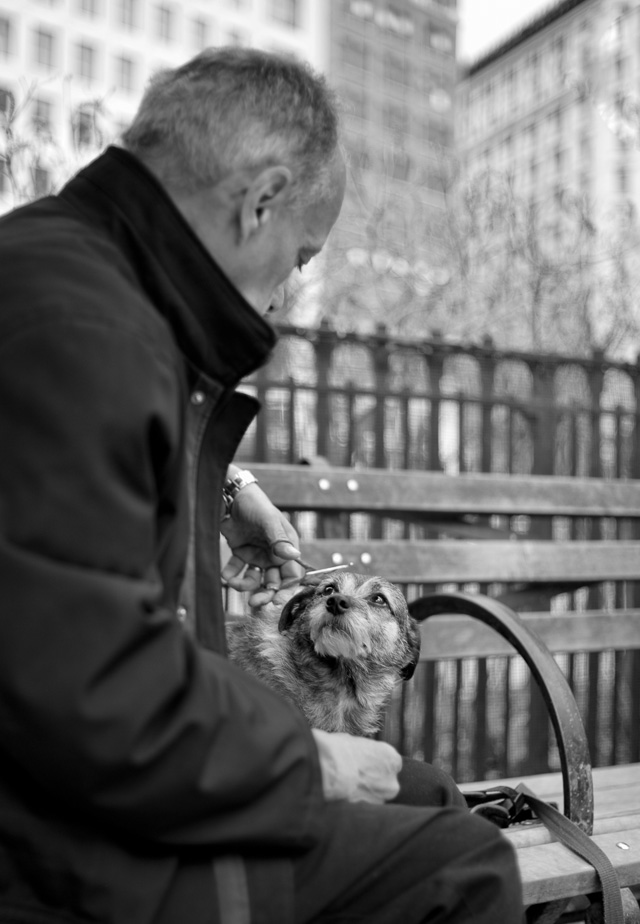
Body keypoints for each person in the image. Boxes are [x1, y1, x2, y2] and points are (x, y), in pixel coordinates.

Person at [0, 47, 523, 924]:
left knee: (429, 792)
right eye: (302, 258)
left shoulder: (57, 270)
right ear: (261, 201)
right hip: (59, 850)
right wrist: (307, 762)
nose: (282, 295)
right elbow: (90, 695)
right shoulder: (85, 330)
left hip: (70, 792)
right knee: (460, 865)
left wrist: (221, 485)